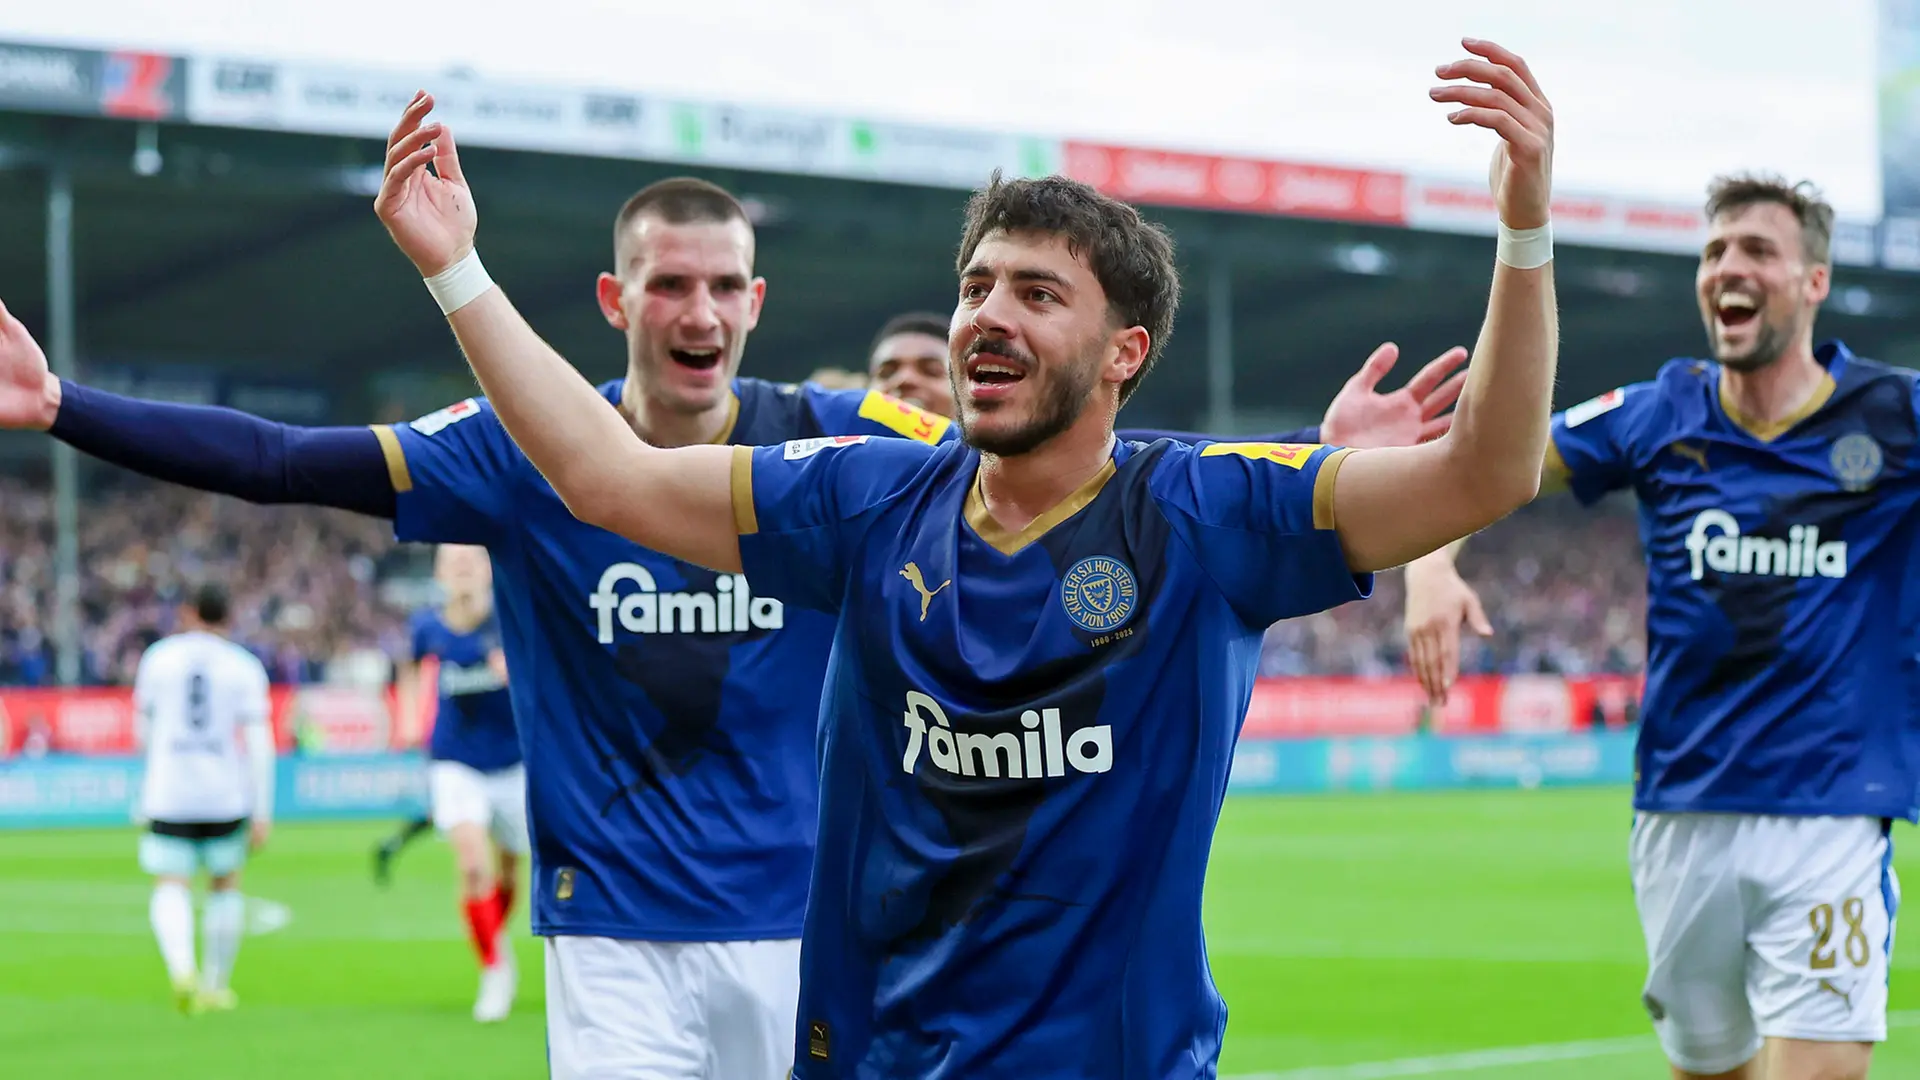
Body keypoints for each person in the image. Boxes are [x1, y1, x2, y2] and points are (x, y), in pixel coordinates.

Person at [0, 184, 1458, 1073]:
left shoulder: (834, 450)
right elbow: (282, 459)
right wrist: (69, 409)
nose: (694, 311)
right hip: (613, 932)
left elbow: (1087, 472)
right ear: (615, 299)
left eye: (720, 287)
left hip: (811, 930)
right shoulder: (522, 451)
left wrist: (1335, 475)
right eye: (667, 285)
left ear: (755, 306)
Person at [372, 35, 1556, 1074]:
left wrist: (1523, 226)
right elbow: (607, 476)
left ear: (1123, 352)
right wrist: (454, 269)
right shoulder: (869, 495)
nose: (989, 313)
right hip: (877, 1057)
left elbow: (1484, 475)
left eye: (1039, 293)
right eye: (976, 284)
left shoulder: (1201, 512)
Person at [1401, 174, 1913, 1080]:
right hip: (1684, 811)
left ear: (1814, 282)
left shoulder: (1894, 416)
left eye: (1757, 250)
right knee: (1707, 1069)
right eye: (1715, 252)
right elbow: (1499, 462)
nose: (1728, 268)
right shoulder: (1657, 412)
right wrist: (1431, 563)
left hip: (1830, 810)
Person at [869, 312, 1471, 450]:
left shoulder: (1049, 470)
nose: (903, 385)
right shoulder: (848, 490)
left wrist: (1319, 444)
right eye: (886, 374)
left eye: (927, 369)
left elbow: (1172, 457)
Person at [397, 543, 525, 1023]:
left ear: (490, 568)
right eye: (453, 563)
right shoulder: (427, 627)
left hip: (513, 761)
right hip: (454, 760)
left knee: (509, 873)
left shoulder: (511, 618)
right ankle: (495, 968)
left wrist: (518, 674)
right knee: (473, 866)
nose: (463, 570)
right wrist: (409, 716)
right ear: (439, 573)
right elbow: (409, 668)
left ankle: (492, 933)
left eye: (471, 561)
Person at [132, 582, 274, 1015]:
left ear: (188, 611)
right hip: (223, 793)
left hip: (169, 790)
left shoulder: (159, 658)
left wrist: (147, 785)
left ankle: (181, 971)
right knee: (224, 884)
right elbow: (258, 741)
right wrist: (262, 808)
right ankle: (215, 984)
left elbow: (143, 730)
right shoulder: (244, 666)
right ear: (228, 617)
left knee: (170, 883)